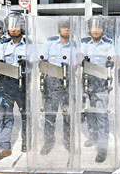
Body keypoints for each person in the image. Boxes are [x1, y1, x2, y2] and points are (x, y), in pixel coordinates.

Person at [0, 12, 27, 162]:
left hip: (23, 84)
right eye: (11, 26)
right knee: (5, 116)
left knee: (26, 115)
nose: (13, 29)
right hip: (6, 84)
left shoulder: (29, 45)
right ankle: (4, 146)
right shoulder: (2, 45)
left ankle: (27, 141)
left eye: (16, 25)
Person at [80, 15, 115, 163]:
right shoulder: (84, 42)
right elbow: (79, 56)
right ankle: (93, 137)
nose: (96, 30)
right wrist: (82, 60)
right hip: (87, 81)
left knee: (101, 115)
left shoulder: (109, 43)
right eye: (93, 27)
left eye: (98, 27)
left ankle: (102, 148)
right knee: (90, 113)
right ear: (89, 28)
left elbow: (113, 57)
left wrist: (110, 63)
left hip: (101, 82)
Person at [39, 17, 72, 155]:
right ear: (59, 29)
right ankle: (48, 142)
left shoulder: (75, 45)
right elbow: (41, 60)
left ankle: (68, 141)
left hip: (69, 81)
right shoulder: (50, 43)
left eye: (68, 26)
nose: (66, 29)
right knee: (50, 113)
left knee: (68, 113)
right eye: (64, 26)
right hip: (52, 81)